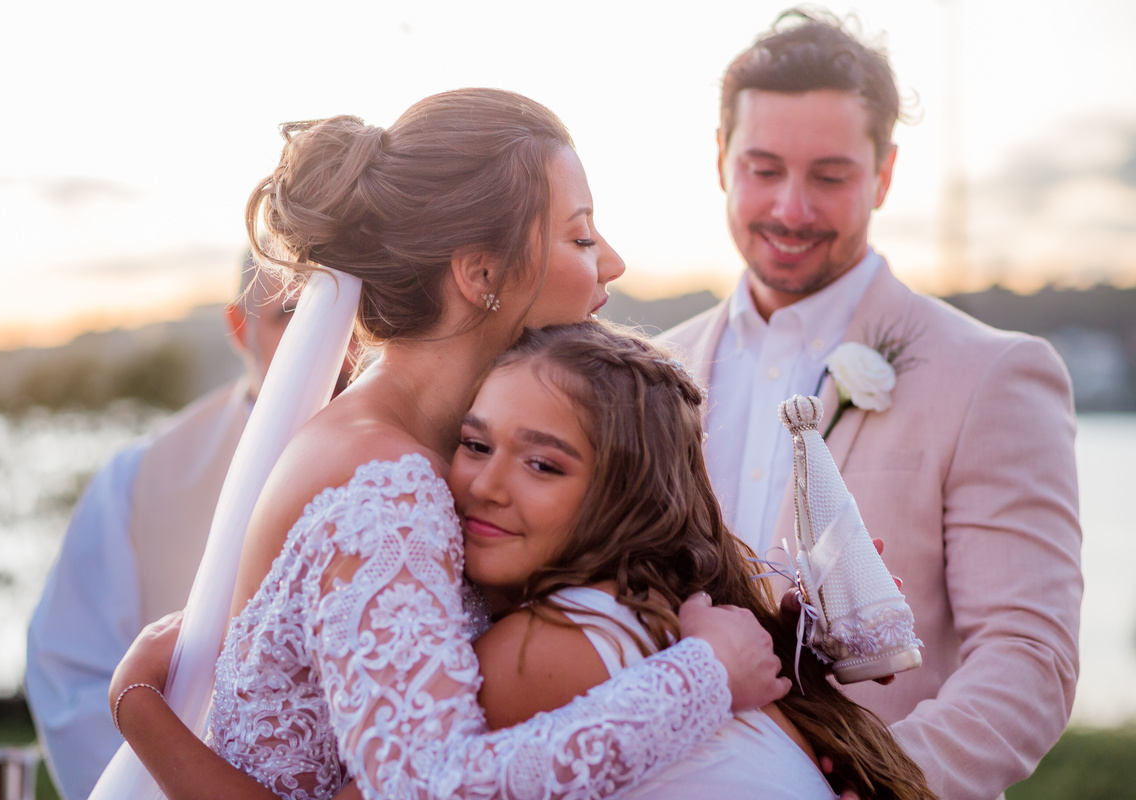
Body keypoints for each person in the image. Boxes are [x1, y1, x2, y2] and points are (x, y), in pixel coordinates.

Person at [105, 88, 791, 800]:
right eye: (581, 237)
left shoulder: (400, 449)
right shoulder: (385, 483)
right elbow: (427, 787)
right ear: (481, 274)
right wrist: (700, 681)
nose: (610, 263)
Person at [660, 11, 1082, 798]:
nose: (790, 209)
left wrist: (881, 783)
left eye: (829, 176)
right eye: (762, 168)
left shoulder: (994, 375)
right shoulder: (655, 374)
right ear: (721, 160)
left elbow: (1030, 655)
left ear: (884, 174)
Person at [457, 320, 934, 799]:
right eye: (476, 445)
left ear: (629, 496)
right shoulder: (671, 613)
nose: (484, 486)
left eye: (543, 465)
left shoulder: (540, 649)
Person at [24, 258, 319, 800]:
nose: (321, 345)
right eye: (291, 316)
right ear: (239, 325)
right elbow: (71, 675)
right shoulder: (138, 482)